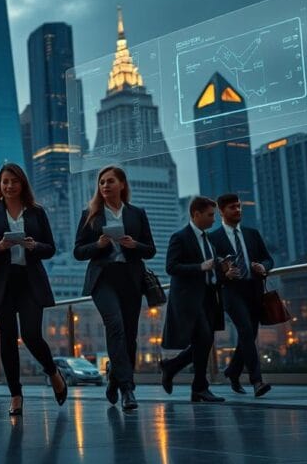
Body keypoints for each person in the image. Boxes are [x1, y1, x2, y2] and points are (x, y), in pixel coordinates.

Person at [0, 163, 66, 416]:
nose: (9, 186)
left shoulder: (37, 213)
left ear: (22, 184)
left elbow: (51, 248)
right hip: (2, 283)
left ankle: (53, 372)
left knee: (31, 334)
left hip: (30, 282)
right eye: (5, 181)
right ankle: (15, 395)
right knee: (7, 338)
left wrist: (34, 245)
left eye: (14, 181)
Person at [73, 166, 156, 412]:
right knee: (116, 326)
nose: (105, 186)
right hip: (103, 279)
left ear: (122, 184)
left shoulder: (137, 214)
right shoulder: (90, 214)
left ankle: (114, 376)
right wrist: (98, 245)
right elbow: (78, 251)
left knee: (130, 336)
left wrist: (134, 245)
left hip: (130, 279)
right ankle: (128, 389)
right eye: (101, 183)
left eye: (110, 181)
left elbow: (150, 249)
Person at [159, 196, 226, 402]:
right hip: (189, 299)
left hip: (209, 297)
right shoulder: (180, 237)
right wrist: (200, 267)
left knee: (204, 341)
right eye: (210, 215)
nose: (214, 219)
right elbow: (171, 267)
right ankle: (199, 386)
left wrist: (223, 270)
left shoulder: (210, 239)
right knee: (204, 338)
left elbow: (211, 267)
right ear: (196, 214)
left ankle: (172, 367)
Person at [208, 193, 274, 398]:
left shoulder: (252, 233)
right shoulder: (213, 238)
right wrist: (224, 274)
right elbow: (210, 269)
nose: (238, 210)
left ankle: (232, 371)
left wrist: (262, 266)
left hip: (254, 290)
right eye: (232, 208)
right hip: (231, 292)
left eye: (239, 207)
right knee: (245, 329)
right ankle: (257, 381)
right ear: (221, 211)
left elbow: (267, 258)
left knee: (249, 334)